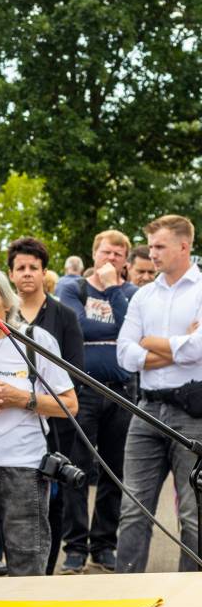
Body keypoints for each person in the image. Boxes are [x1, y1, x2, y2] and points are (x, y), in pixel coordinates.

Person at [0, 266, 77, 577]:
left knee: (28, 563)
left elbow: (70, 405)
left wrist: (18, 398)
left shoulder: (34, 340)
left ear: (7, 302)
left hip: (24, 466)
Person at [116, 215, 202, 573]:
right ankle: (126, 590)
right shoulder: (143, 296)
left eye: (159, 246)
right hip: (146, 410)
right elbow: (124, 353)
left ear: (184, 246)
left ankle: (192, 593)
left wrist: (148, 342)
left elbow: (201, 348)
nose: (152, 253)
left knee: (194, 513)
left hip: (192, 413)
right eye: (150, 246)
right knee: (133, 509)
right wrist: (180, 345)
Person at [58, 229, 136, 574]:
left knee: (113, 470)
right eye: (106, 252)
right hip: (82, 390)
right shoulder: (73, 288)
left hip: (121, 390)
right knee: (78, 467)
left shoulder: (130, 292)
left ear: (125, 259)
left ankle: (104, 544)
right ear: (94, 253)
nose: (111, 259)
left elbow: (130, 328)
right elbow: (77, 327)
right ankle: (75, 546)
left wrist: (112, 289)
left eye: (118, 254)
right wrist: (112, 328)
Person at [7, 237, 84, 574]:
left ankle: (46, 572)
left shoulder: (64, 315)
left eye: (33, 267)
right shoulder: (2, 315)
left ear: (43, 272)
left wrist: (38, 400)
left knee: (53, 496)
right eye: (20, 268)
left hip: (55, 423)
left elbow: (75, 372)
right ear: (10, 274)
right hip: (9, 424)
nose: (27, 273)